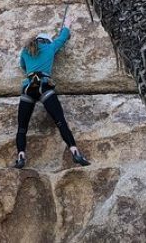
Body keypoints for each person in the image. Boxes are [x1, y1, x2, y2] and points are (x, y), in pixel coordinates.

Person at [14, 15, 90, 169]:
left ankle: (21, 156)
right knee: (60, 121)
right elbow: (63, 37)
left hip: (28, 88)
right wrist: (67, 23)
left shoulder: (25, 51)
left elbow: (22, 66)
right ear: (47, 41)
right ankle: (75, 151)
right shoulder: (50, 47)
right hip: (44, 87)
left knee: (22, 127)